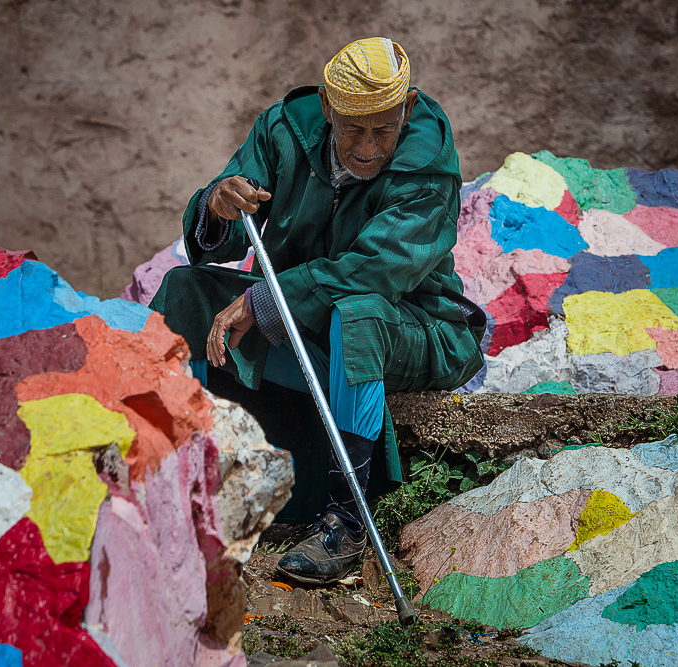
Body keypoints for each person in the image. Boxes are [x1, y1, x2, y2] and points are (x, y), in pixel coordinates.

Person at [150, 37, 485, 584]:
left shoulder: (427, 158)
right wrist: (216, 204)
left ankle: (346, 523)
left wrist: (264, 300)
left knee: (357, 311)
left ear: (405, 108)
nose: (370, 147)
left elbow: (379, 270)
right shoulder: (285, 130)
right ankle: (174, 480)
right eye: (353, 127)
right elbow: (228, 237)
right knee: (184, 290)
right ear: (329, 106)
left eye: (385, 128)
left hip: (416, 327)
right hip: (301, 318)